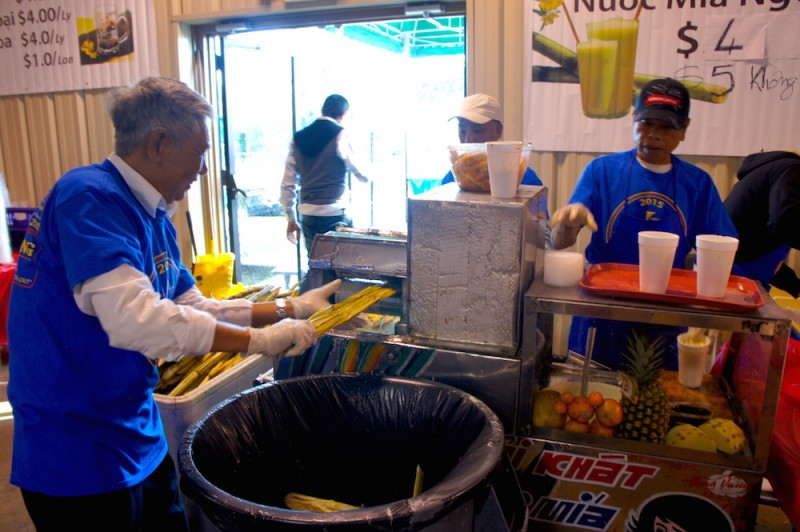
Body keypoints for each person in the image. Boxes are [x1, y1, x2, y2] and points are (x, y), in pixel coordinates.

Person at [7, 76, 345, 532]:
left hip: (136, 429)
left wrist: (290, 308)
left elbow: (192, 306)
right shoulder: (89, 197)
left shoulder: (153, 214)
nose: (204, 169)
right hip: (76, 449)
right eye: (201, 153)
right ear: (159, 143)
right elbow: (137, 321)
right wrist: (259, 341)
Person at [550, 78, 737, 370]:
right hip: (600, 317)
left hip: (665, 321)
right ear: (634, 118)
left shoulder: (698, 184)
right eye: (647, 123)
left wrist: (706, 318)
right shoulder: (601, 171)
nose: (653, 135)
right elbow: (560, 242)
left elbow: (721, 250)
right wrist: (568, 223)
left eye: (666, 127)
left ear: (685, 129)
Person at [280, 94, 369, 258]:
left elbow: (287, 184)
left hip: (308, 216)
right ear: (344, 114)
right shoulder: (341, 134)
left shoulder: (298, 138)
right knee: (343, 269)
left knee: (317, 268)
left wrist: (291, 218)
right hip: (335, 215)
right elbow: (362, 174)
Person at [725, 150, 800, 296]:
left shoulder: (775, 172)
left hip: (733, 265)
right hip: (734, 276)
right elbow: (784, 223)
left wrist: (796, 286)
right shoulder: (792, 170)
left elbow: (767, 261)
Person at [441, 93, 543, 187]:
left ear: (498, 131)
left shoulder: (523, 179)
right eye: (463, 131)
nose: (468, 139)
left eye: (477, 131)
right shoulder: (452, 179)